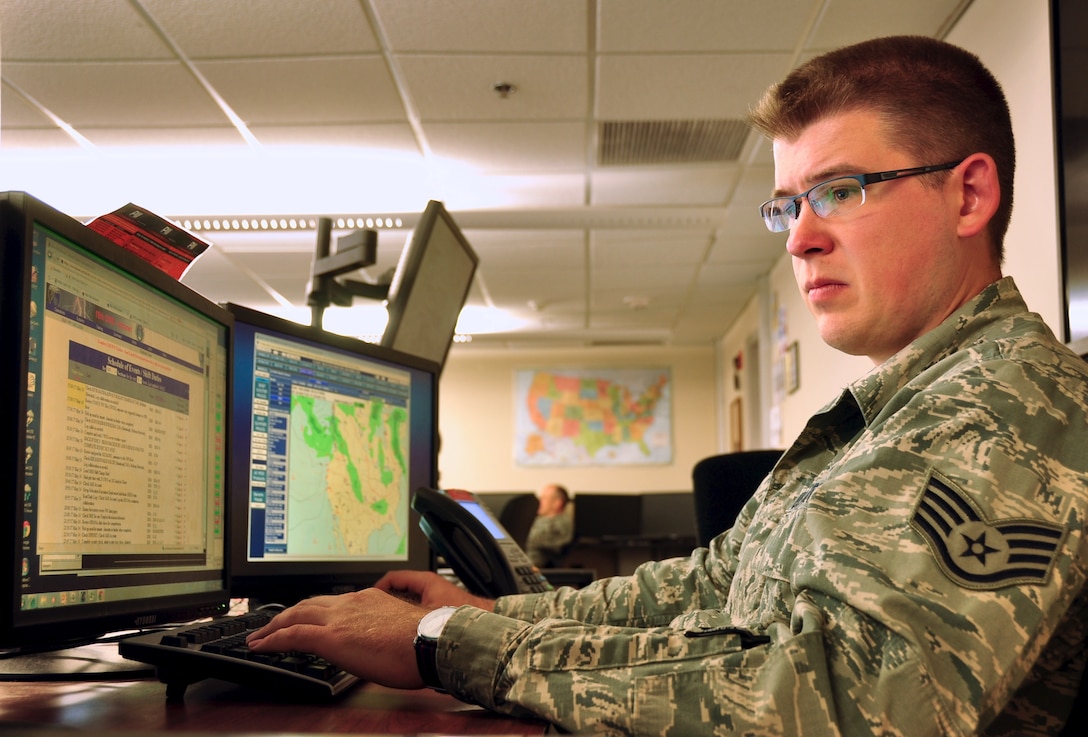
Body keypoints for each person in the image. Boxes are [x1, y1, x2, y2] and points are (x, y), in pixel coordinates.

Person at [248, 36, 1088, 735]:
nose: (800, 240)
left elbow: (852, 704)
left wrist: (446, 644)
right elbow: (703, 588)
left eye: (839, 191)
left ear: (969, 193)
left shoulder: (1012, 408)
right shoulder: (890, 414)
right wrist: (481, 615)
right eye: (787, 206)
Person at [524, 483, 574, 568]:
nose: (539, 501)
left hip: (535, 567)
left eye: (544, 498)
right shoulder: (538, 519)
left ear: (557, 503)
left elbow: (533, 540)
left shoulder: (561, 523)